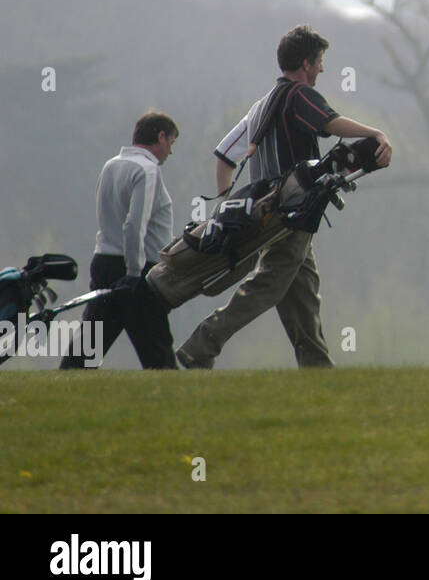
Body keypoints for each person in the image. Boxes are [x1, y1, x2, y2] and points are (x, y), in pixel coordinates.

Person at [175, 24, 393, 369]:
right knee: (269, 285)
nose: (322, 68)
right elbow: (330, 123)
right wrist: (377, 133)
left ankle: (316, 366)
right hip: (291, 209)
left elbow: (224, 156)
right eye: (320, 61)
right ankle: (202, 343)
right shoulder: (299, 95)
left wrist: (228, 201)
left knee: (302, 292)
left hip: (265, 213)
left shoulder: (262, 105)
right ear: (306, 63)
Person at [60, 110, 179, 369]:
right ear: (160, 137)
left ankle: (62, 387)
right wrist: (135, 272)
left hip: (104, 261)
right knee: (158, 352)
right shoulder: (148, 170)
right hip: (136, 269)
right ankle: (172, 402)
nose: (170, 151)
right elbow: (135, 224)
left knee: (87, 347)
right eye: (170, 142)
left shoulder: (110, 165)